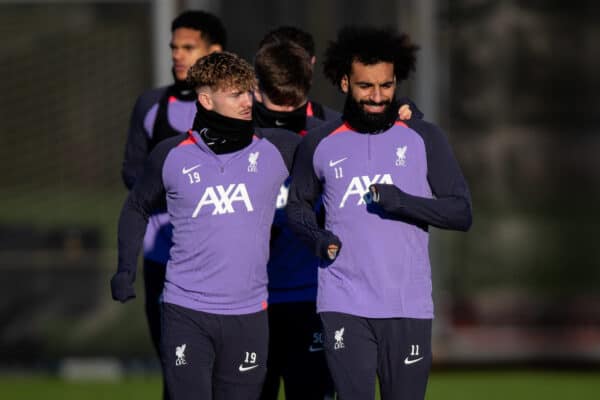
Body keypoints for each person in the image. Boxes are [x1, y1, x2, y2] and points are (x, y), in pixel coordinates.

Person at [286, 26, 472, 400]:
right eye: (365, 86)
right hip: (343, 303)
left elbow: (460, 212)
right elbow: (297, 204)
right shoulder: (320, 143)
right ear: (344, 83)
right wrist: (318, 238)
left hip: (408, 306)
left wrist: (402, 201)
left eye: (386, 86)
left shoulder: (424, 137)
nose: (377, 96)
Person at [111, 51, 300, 400]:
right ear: (206, 99)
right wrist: (125, 269)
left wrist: (398, 113)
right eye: (235, 93)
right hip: (186, 311)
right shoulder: (171, 154)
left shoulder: (277, 147)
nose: (247, 101)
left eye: (248, 91)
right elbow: (136, 206)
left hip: (250, 314)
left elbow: (336, 143)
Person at [253, 27, 420, 400]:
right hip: (248, 303)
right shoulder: (232, 140)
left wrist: (406, 116)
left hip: (315, 299)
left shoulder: (333, 135)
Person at [120, 10, 226, 399]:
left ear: (214, 51)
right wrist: (179, 195)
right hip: (163, 257)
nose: (178, 56)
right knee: (177, 367)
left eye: (188, 47)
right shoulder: (151, 105)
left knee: (228, 372)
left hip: (223, 257)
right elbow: (132, 172)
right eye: (173, 48)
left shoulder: (241, 104)